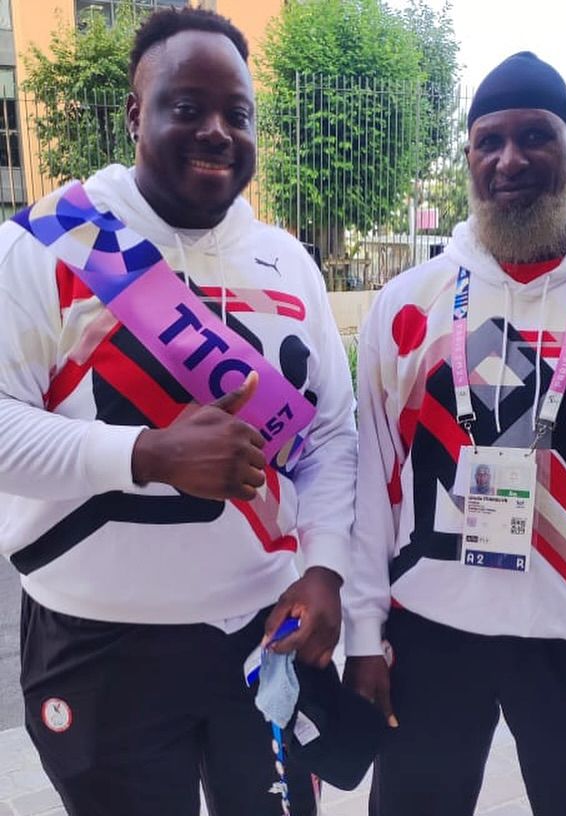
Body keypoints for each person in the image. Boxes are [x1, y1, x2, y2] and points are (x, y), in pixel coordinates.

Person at [0, 8, 356, 816]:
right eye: (186, 107)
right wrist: (145, 454)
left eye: (238, 113)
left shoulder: (288, 263)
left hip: (261, 640)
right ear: (135, 114)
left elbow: (332, 434)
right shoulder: (49, 245)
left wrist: (326, 564)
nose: (217, 132)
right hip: (96, 648)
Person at [343, 51, 566, 816]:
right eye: (489, 141)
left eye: (534, 137)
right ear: (470, 155)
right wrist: (361, 632)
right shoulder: (407, 302)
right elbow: (370, 483)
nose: (509, 160)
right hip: (432, 631)